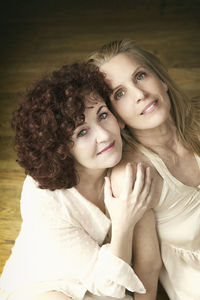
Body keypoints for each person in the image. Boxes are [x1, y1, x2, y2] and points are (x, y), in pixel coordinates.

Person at [0, 62, 154, 300]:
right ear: (60, 148)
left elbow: (143, 267)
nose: (104, 136)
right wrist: (124, 223)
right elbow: (110, 284)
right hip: (44, 282)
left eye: (103, 115)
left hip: (101, 284)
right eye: (82, 132)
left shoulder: (125, 165)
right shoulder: (43, 198)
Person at [89, 39, 200, 300]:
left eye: (140, 76)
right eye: (120, 93)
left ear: (161, 80)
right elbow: (147, 269)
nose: (140, 93)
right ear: (116, 118)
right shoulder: (134, 175)